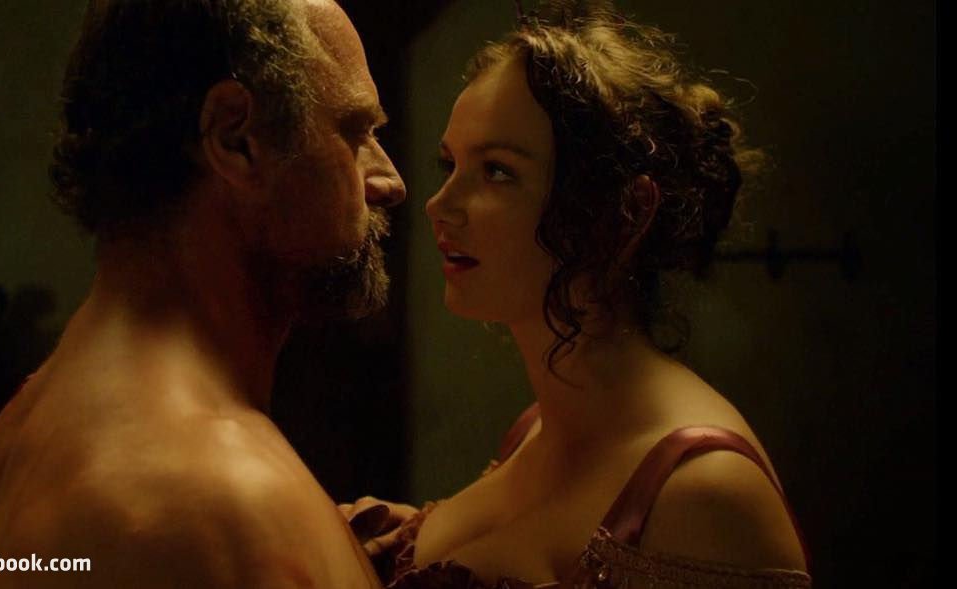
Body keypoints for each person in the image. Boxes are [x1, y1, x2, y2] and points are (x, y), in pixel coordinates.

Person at [348, 1, 812, 586]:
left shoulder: (702, 490)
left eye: (497, 171)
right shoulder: (535, 430)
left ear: (625, 212)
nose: (441, 206)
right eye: (450, 165)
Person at [0, 0, 405, 587]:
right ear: (235, 138)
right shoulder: (215, 504)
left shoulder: (25, 427)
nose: (390, 181)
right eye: (356, 132)